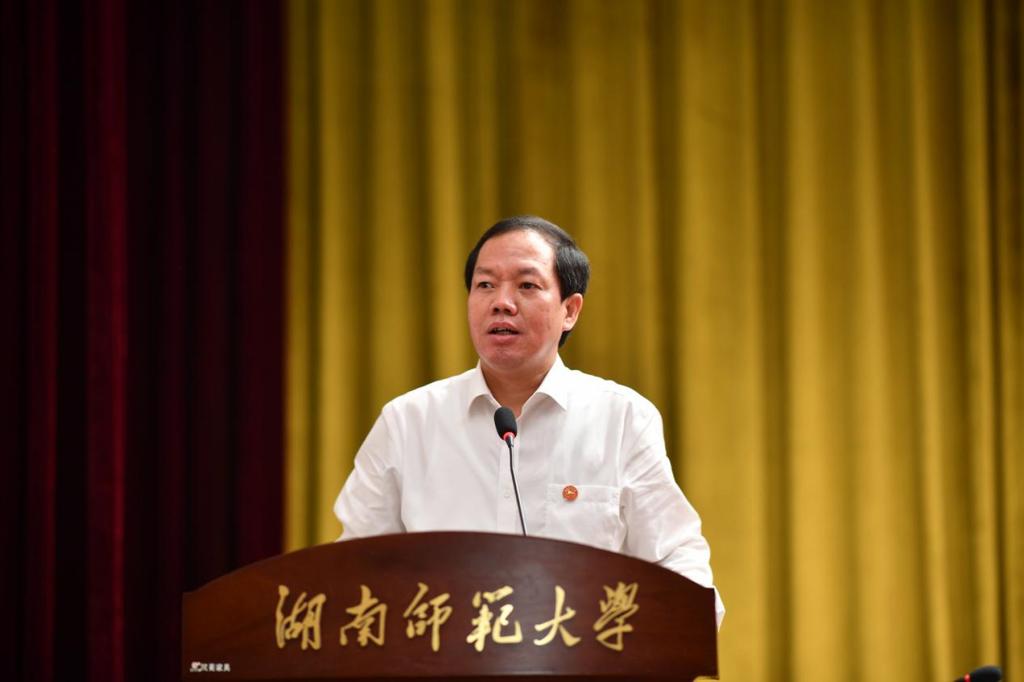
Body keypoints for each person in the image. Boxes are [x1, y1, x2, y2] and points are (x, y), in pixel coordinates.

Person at [334, 215, 724, 625]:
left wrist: (676, 633)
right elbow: (353, 571)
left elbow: (676, 558)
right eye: (485, 285)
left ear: (570, 310)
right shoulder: (407, 423)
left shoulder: (621, 418)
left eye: (526, 285)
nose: (501, 302)